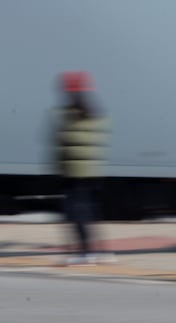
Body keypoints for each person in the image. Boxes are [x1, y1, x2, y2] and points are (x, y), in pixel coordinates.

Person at [54, 71, 109, 265]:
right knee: (91, 212)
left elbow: (64, 142)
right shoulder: (96, 113)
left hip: (74, 173)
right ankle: (100, 251)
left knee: (76, 213)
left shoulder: (67, 115)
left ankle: (86, 252)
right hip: (92, 171)